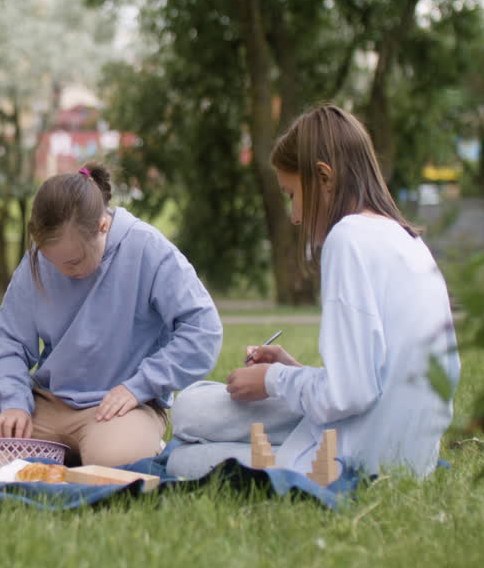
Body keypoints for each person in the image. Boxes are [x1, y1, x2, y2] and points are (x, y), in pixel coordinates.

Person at [168, 104, 460, 479]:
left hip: (361, 453)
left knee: (187, 431)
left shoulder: (348, 238)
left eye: (291, 195)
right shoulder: (406, 240)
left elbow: (350, 393)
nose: (294, 216)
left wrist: (272, 380)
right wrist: (293, 371)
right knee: (194, 413)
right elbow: (369, 377)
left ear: (324, 178)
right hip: (410, 449)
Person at [0, 162, 223, 474]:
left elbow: (203, 330)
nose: (62, 271)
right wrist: (14, 403)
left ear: (103, 225)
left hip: (122, 405)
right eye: (52, 260)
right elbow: (9, 341)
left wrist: (139, 386)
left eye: (74, 261)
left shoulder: (148, 249)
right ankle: (66, 454)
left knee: (113, 464)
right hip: (46, 405)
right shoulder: (37, 261)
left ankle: (125, 444)